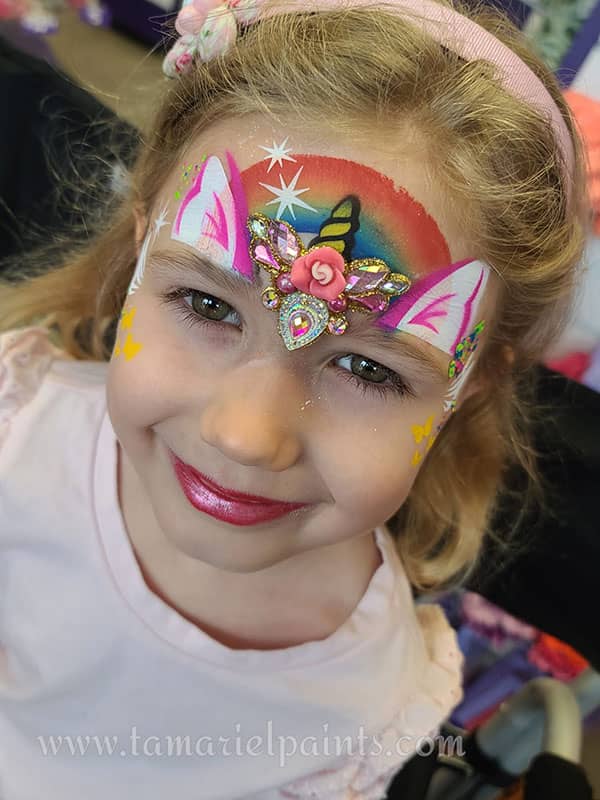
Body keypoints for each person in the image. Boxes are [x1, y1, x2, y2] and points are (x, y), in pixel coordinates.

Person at [0, 0, 590, 797]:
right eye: (208, 306)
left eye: (370, 370)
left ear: (471, 384)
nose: (246, 436)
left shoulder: (366, 718)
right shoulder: (14, 424)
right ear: (142, 250)